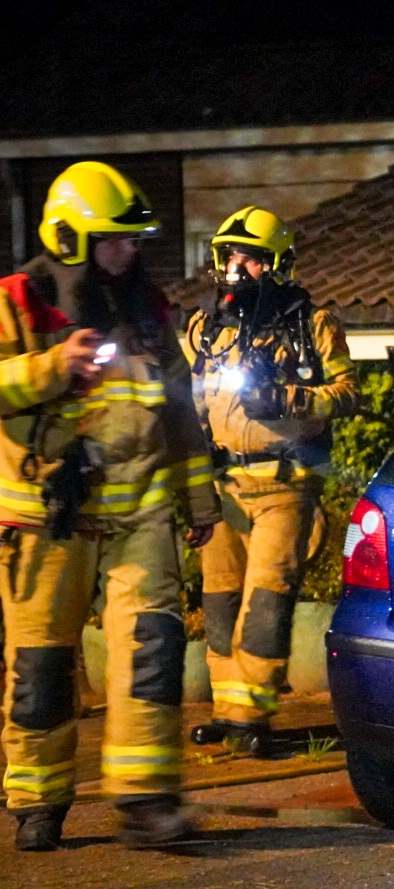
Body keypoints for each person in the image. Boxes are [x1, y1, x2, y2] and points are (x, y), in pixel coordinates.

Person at [2, 161, 221, 850]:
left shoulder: (149, 311)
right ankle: (37, 801)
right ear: (70, 239)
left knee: (152, 652)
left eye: (133, 240)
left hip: (141, 516)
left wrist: (200, 500)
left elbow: (179, 412)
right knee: (41, 667)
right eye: (114, 239)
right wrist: (51, 367)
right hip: (47, 520)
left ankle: (147, 799)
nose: (129, 251)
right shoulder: (17, 303)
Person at [182, 206, 358, 753]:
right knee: (220, 603)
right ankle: (228, 710)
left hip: (285, 484)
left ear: (278, 264)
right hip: (222, 486)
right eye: (232, 257)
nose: (238, 268)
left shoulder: (314, 324)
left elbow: (347, 394)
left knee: (267, 600)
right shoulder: (204, 328)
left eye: (252, 259)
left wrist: (287, 399)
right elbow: (184, 406)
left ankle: (252, 716)